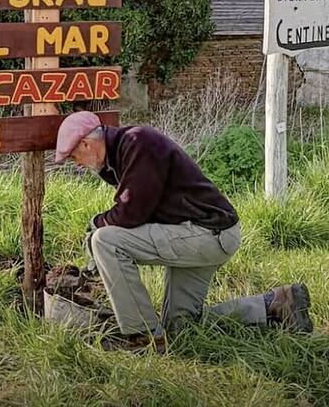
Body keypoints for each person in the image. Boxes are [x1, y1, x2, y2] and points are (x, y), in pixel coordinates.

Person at [54, 111, 314, 353]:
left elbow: (130, 214)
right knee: (180, 328)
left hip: (206, 234)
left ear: (87, 143)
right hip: (204, 232)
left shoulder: (138, 143)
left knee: (105, 241)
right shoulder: (125, 150)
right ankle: (276, 304)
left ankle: (142, 336)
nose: (76, 164)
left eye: (73, 156)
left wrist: (95, 224)